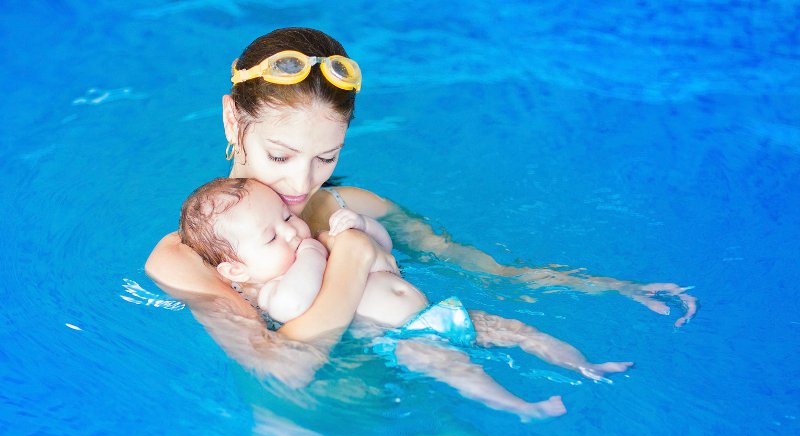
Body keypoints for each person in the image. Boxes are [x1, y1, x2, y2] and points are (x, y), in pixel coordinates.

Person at [145, 27, 696, 389]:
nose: (301, 182)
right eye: (280, 154)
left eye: (326, 156)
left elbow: (489, 269)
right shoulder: (186, 257)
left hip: (420, 382)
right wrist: (353, 259)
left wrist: (613, 288)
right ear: (233, 122)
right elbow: (284, 369)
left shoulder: (353, 203)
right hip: (304, 422)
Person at [178, 177, 637, 418]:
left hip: (438, 312)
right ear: (237, 270)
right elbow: (298, 307)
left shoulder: (312, 239)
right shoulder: (276, 287)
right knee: (460, 369)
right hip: (404, 337)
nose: (292, 230)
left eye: (285, 217)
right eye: (272, 236)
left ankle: (583, 365)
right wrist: (317, 252)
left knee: (518, 330)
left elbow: (384, 244)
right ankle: (520, 407)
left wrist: (358, 227)